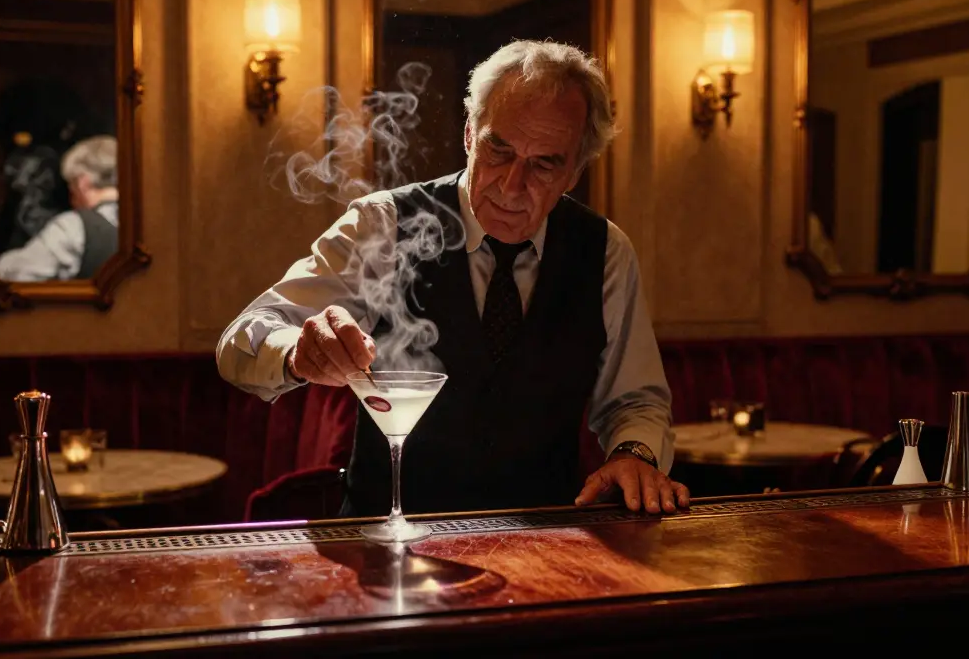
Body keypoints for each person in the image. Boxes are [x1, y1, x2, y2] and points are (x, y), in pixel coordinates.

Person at [217, 40, 688, 517]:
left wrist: (636, 454)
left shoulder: (605, 252)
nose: (510, 186)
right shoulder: (383, 224)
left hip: (546, 544)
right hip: (383, 545)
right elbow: (240, 343)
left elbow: (637, 402)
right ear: (469, 135)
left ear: (574, 172)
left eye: (544, 163)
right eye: (498, 150)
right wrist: (297, 351)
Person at [0, 135, 119, 282]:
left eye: (70, 186)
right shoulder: (147, 217)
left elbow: (17, 273)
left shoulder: (73, 227)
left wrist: (3, 262)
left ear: (82, 184)